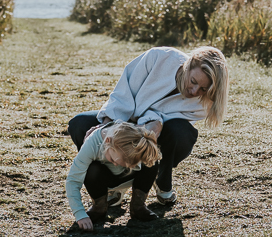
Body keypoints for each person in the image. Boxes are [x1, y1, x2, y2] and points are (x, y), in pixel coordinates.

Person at [67, 46, 229, 221]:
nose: (195, 91)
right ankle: (111, 183)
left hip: (155, 136)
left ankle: (161, 180)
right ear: (189, 64)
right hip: (124, 121)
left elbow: (169, 119)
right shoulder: (159, 57)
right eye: (193, 81)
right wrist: (106, 126)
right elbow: (124, 92)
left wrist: (155, 123)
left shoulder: (205, 102)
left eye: (203, 89)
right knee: (79, 124)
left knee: (181, 132)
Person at [66, 121, 162, 232]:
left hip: (131, 177)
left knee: (150, 160)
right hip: (105, 179)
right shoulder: (91, 144)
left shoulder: (135, 139)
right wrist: (80, 214)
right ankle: (99, 208)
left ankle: (138, 207)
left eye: (123, 163)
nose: (115, 164)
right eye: (113, 160)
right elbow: (73, 180)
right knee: (91, 168)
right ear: (108, 141)